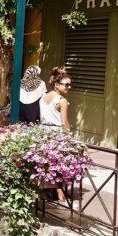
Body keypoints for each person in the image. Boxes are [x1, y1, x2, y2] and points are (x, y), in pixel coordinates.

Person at [40, 67, 73, 203]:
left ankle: (49, 191)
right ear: (57, 85)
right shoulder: (62, 101)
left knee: (47, 164)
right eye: (66, 84)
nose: (69, 87)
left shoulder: (44, 97)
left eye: (70, 84)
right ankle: (59, 192)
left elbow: (42, 116)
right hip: (57, 135)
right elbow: (64, 123)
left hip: (43, 133)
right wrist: (69, 138)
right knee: (61, 165)